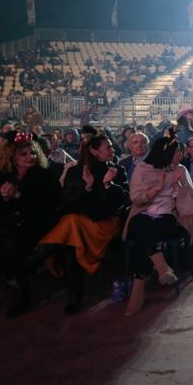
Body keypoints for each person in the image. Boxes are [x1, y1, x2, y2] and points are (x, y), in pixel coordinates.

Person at [40, 133, 128, 313]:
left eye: (111, 146)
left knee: (71, 224)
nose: (113, 150)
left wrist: (106, 184)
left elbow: (118, 203)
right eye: (108, 147)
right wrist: (87, 188)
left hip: (104, 223)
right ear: (94, 151)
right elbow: (69, 202)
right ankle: (75, 293)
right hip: (80, 224)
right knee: (72, 234)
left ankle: (46, 253)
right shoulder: (75, 171)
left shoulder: (116, 170)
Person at [123, 134, 193, 316]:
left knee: (145, 234)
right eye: (177, 151)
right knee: (141, 225)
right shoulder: (143, 168)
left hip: (170, 217)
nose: (180, 155)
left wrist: (178, 185)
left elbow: (189, 198)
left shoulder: (180, 170)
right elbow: (136, 199)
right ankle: (162, 267)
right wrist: (156, 189)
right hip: (144, 212)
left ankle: (139, 288)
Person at [0, 132, 62, 317]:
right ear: (11, 157)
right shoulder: (1, 176)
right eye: (23, 154)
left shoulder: (43, 176)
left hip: (37, 224)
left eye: (32, 153)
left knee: (11, 246)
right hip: (7, 223)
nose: (30, 157)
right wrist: (4, 198)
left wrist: (17, 197)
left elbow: (47, 208)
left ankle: (21, 292)